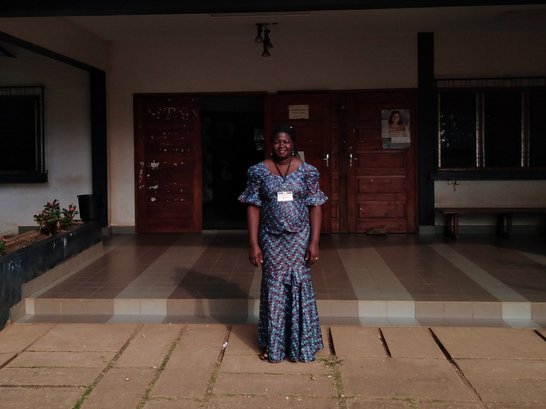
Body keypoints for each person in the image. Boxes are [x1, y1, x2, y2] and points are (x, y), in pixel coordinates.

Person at [238, 124, 327, 363]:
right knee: (274, 288)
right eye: (277, 141)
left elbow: (315, 205)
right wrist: (253, 243)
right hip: (270, 238)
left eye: (286, 141)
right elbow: (253, 206)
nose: (282, 145)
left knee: (299, 286)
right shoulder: (258, 171)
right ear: (271, 144)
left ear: (293, 144)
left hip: (299, 238)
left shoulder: (308, 171)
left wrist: (314, 242)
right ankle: (275, 345)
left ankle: (301, 345)